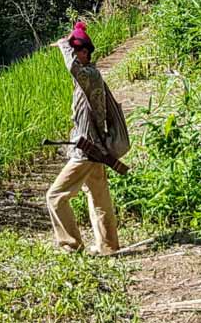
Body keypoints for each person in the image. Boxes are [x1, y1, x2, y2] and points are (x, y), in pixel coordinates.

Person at [45, 19, 120, 255]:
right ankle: (108, 246)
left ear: (84, 53)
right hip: (95, 150)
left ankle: (70, 245)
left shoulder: (87, 74)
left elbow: (72, 68)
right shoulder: (91, 76)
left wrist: (64, 45)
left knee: (55, 196)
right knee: (98, 196)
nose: (75, 56)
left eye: (78, 51)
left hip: (86, 152)